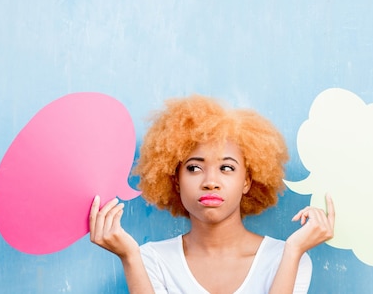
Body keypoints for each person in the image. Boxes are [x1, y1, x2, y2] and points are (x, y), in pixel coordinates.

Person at [89, 95, 335, 293]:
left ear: (247, 181)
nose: (210, 182)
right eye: (194, 168)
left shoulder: (289, 257)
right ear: (175, 181)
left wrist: (293, 251)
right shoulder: (150, 259)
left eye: (226, 168)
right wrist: (129, 257)